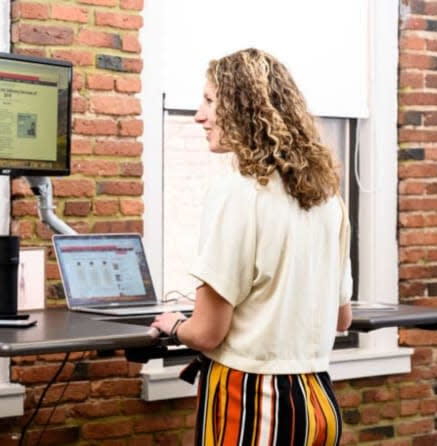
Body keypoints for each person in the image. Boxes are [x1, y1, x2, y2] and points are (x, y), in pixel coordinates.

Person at [151, 48, 353, 446]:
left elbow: (208, 333)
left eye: (210, 101)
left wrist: (174, 324)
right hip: (318, 404)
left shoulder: (237, 190)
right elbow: (341, 319)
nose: (198, 115)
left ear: (244, 109)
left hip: (252, 403)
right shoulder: (327, 197)